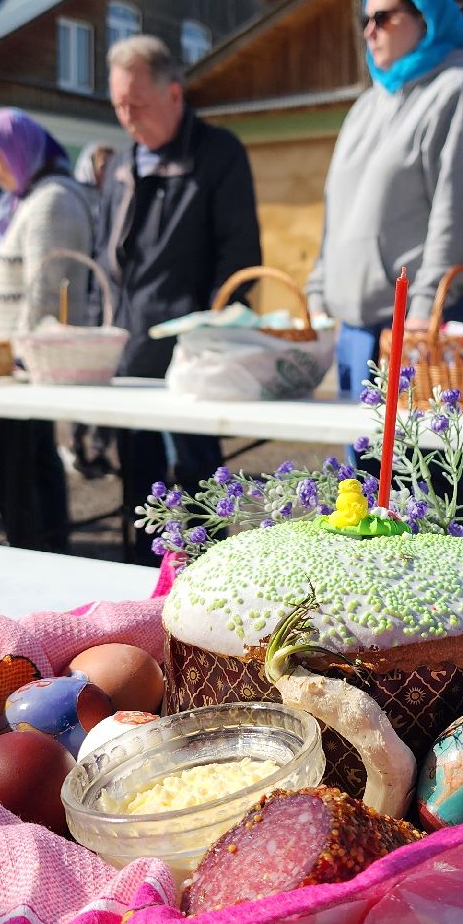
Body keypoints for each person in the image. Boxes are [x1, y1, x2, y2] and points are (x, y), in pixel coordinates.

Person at [96, 34, 262, 562]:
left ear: (174, 93)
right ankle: (140, 583)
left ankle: (205, 582)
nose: (127, 117)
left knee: (196, 483)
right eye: (118, 105)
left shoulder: (218, 154)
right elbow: (107, 259)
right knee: (139, 484)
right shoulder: (123, 165)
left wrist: (212, 336)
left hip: (194, 355)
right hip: (130, 351)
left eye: (136, 104)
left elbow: (238, 258)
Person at [308, 0, 463, 396]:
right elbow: (336, 212)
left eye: (383, 17)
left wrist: (422, 310)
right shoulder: (366, 106)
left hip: (420, 326)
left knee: (430, 463)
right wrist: (319, 294)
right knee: (362, 465)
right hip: (355, 331)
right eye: (365, 20)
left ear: (426, 17)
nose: (370, 31)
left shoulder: (458, 92)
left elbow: (457, 213)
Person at [0, 107, 91, 549]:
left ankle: (40, 548)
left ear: (20, 152)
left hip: (29, 365)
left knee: (17, 461)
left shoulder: (53, 201)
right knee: (25, 461)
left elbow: (47, 289)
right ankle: (40, 546)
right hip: (16, 365)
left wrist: (19, 358)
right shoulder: (23, 199)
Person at [65, 139, 117, 480]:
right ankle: (75, 444)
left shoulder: (116, 199)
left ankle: (99, 448)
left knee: (106, 374)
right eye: (102, 166)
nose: (106, 173)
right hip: (83, 300)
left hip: (108, 296)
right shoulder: (78, 201)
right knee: (81, 375)